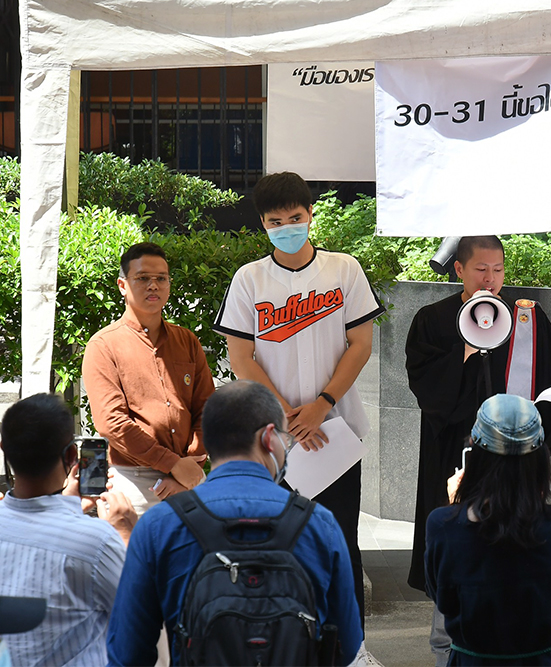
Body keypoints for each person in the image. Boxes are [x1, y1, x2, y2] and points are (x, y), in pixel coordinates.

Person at [213, 172, 384, 647]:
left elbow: (361, 343)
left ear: (310, 215)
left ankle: (352, 647)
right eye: (275, 220)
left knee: (341, 543)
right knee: (275, 543)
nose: (287, 226)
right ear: (262, 225)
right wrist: (290, 415)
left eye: (295, 217)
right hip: (272, 438)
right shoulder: (250, 279)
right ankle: (280, 644)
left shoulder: (344, 269)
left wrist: (323, 405)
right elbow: (241, 356)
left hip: (336, 435)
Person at [405, 236, 551, 664]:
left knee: (519, 543)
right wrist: (465, 350)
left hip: (514, 466)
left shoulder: (525, 318)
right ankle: (449, 648)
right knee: (459, 545)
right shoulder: (432, 319)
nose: (491, 279)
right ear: (459, 270)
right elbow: (427, 390)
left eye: (498, 269)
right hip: (453, 457)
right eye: (481, 269)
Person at [106, 380, 363, 666]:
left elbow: (126, 654)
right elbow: (348, 645)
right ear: (269, 438)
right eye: (285, 438)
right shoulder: (319, 525)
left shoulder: (160, 526)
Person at [425, 394, 551, 666]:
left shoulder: (443, 526)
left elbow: (441, 594)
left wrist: (458, 507)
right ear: (539, 460)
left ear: (474, 455)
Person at [0, 393, 136, 667]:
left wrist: (68, 502)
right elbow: (140, 615)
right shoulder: (96, 541)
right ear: (72, 455)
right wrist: (126, 534)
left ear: (4, 448)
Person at [82, 242, 215, 515]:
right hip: (133, 478)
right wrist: (171, 464)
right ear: (122, 285)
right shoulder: (103, 345)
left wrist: (190, 463)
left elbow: (208, 408)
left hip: (189, 472)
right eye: (142, 278)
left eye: (161, 278)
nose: (153, 285)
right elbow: (112, 423)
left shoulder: (187, 341)